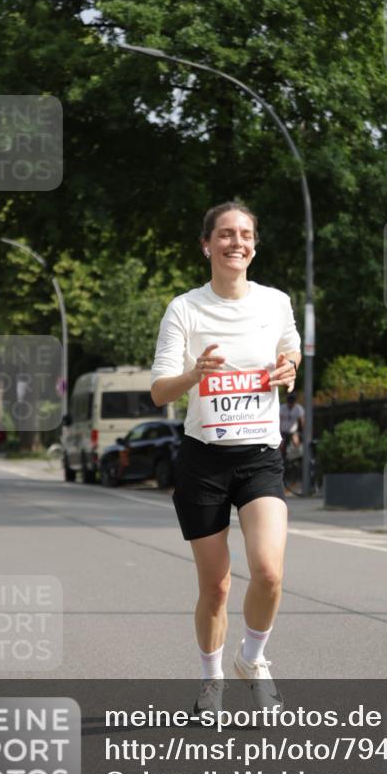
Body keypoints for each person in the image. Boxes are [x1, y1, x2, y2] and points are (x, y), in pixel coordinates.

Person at [150, 201, 301, 715]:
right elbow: (157, 391)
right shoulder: (184, 309)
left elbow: (291, 351)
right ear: (207, 244)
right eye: (226, 234)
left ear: (254, 244)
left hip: (260, 456)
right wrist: (194, 374)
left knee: (269, 571)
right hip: (204, 461)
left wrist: (289, 369)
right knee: (215, 586)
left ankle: (253, 659)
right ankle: (211, 679)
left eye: (246, 234)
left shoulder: (276, 302)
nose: (237, 242)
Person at [279, 392, 305, 456]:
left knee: (296, 443)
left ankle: (295, 458)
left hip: (293, 431)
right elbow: (279, 420)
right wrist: (278, 432)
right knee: (281, 445)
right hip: (283, 431)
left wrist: (303, 431)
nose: (290, 404)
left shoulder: (298, 408)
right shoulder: (282, 408)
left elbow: (302, 421)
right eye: (289, 402)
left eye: (292, 402)